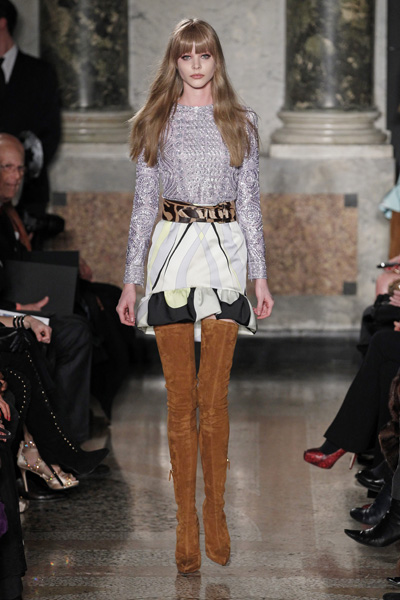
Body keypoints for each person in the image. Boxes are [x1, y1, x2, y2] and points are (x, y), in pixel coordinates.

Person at [116, 19, 273, 574]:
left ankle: (216, 510)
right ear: (175, 62)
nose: (197, 65)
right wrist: (131, 279)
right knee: (180, 400)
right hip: (171, 257)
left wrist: (260, 277)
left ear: (216, 59)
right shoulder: (155, 120)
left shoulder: (241, 121)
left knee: (215, 396)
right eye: (187, 56)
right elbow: (143, 205)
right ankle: (186, 520)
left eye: (205, 55)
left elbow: (249, 202)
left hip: (226, 255)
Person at [0, 0, 61, 217]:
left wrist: (14, 173)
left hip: (29, 198)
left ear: (2, 23)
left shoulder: (41, 73)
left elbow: (50, 135)